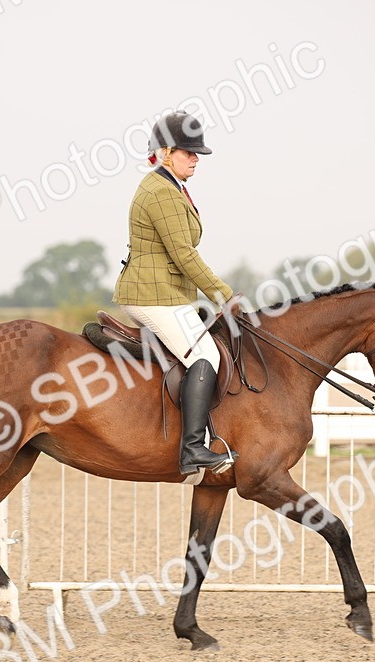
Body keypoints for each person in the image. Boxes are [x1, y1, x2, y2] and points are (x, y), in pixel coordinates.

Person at [113, 111, 238, 476]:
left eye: (197, 152)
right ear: (166, 152)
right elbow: (184, 254)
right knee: (205, 354)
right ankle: (192, 450)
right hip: (153, 294)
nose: (196, 158)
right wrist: (223, 294)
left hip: (167, 291)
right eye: (189, 152)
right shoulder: (160, 192)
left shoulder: (172, 187)